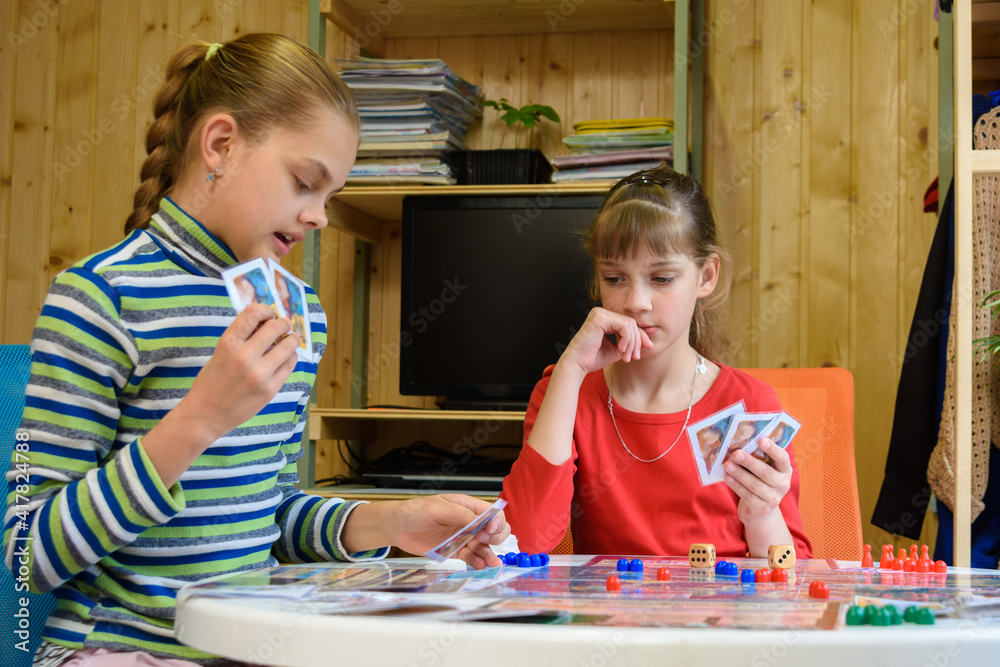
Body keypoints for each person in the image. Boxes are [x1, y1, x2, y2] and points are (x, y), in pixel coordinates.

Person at [3, 34, 508, 667]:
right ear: (220, 144)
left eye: (331, 196)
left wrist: (389, 522)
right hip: (117, 648)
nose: (320, 216)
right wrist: (199, 420)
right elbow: (28, 556)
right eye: (304, 182)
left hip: (249, 646)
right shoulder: (100, 299)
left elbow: (269, 512)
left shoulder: (300, 315)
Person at [500, 165, 811, 559]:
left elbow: (791, 574)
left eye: (662, 279)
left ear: (706, 276)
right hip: (611, 616)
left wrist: (762, 515)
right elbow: (521, 545)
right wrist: (571, 370)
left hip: (718, 615)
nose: (636, 302)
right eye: (614, 279)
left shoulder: (749, 403)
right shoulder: (564, 391)